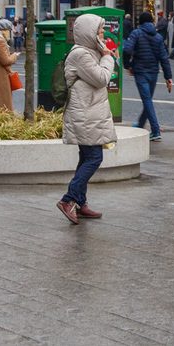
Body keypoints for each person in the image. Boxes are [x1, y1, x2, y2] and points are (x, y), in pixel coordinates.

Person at [57, 13, 117, 224]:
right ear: (88, 33)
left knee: (86, 157)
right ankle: (69, 199)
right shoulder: (81, 54)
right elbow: (101, 79)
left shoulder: (90, 52)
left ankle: (80, 204)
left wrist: (103, 54)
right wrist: (108, 56)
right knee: (94, 158)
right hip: (84, 114)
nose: (102, 34)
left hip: (88, 113)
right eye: (99, 31)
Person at [122, 11, 172, 141]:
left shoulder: (136, 33)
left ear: (140, 22)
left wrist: (128, 65)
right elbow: (164, 58)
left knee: (147, 100)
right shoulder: (158, 37)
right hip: (153, 72)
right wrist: (168, 77)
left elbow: (127, 50)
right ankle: (140, 124)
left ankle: (155, 130)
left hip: (140, 71)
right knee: (147, 99)